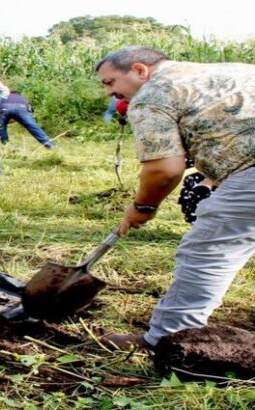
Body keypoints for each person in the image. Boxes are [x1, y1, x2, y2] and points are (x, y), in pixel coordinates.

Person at [95, 46, 255, 349]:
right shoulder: (233, 69)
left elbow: (164, 170)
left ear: (140, 70)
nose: (110, 93)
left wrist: (143, 207)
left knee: (208, 252)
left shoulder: (153, 93)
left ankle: (169, 340)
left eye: (110, 82)